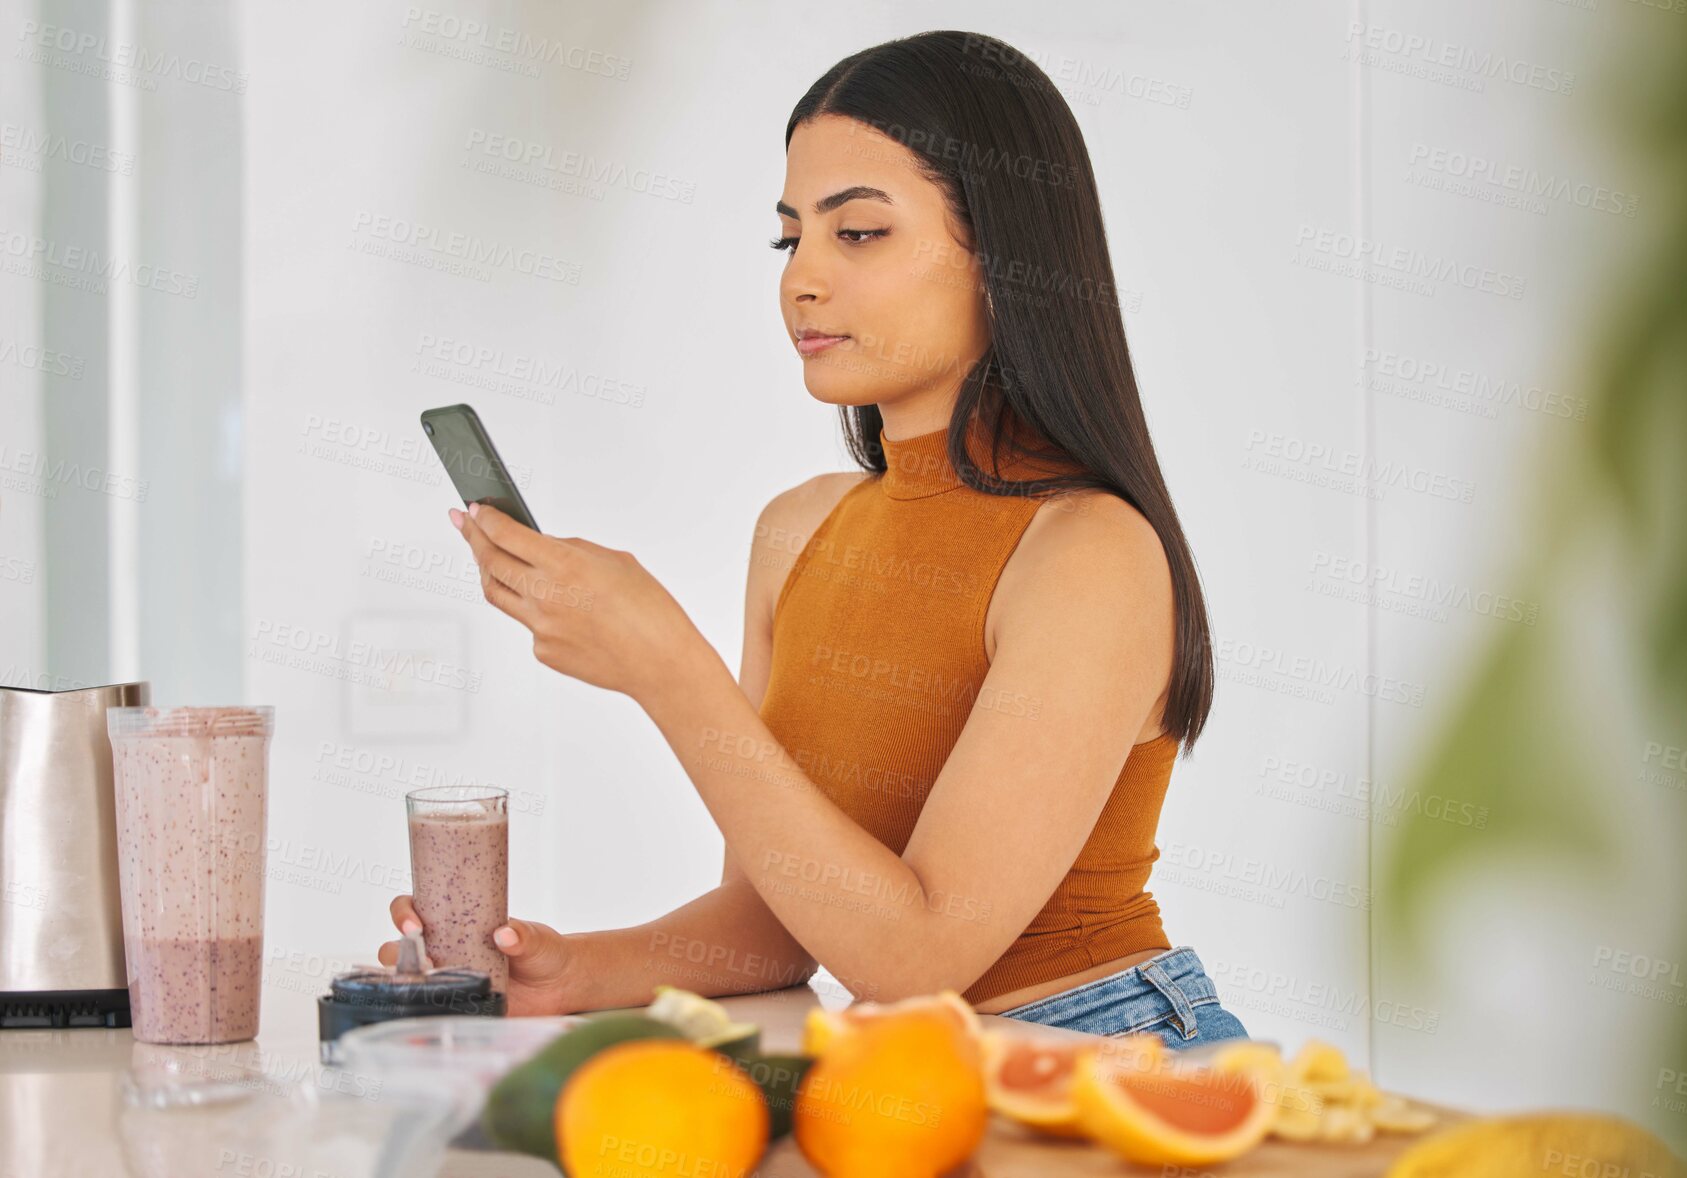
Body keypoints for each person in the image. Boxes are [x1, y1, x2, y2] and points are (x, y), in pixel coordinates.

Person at [380, 29, 1248, 1049]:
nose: (801, 278)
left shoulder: (1089, 553)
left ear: (1001, 254)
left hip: (1104, 1046)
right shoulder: (798, 530)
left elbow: (917, 957)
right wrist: (569, 968)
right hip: (903, 1072)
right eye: (788, 237)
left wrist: (665, 667)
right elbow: (775, 923)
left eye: (861, 233)